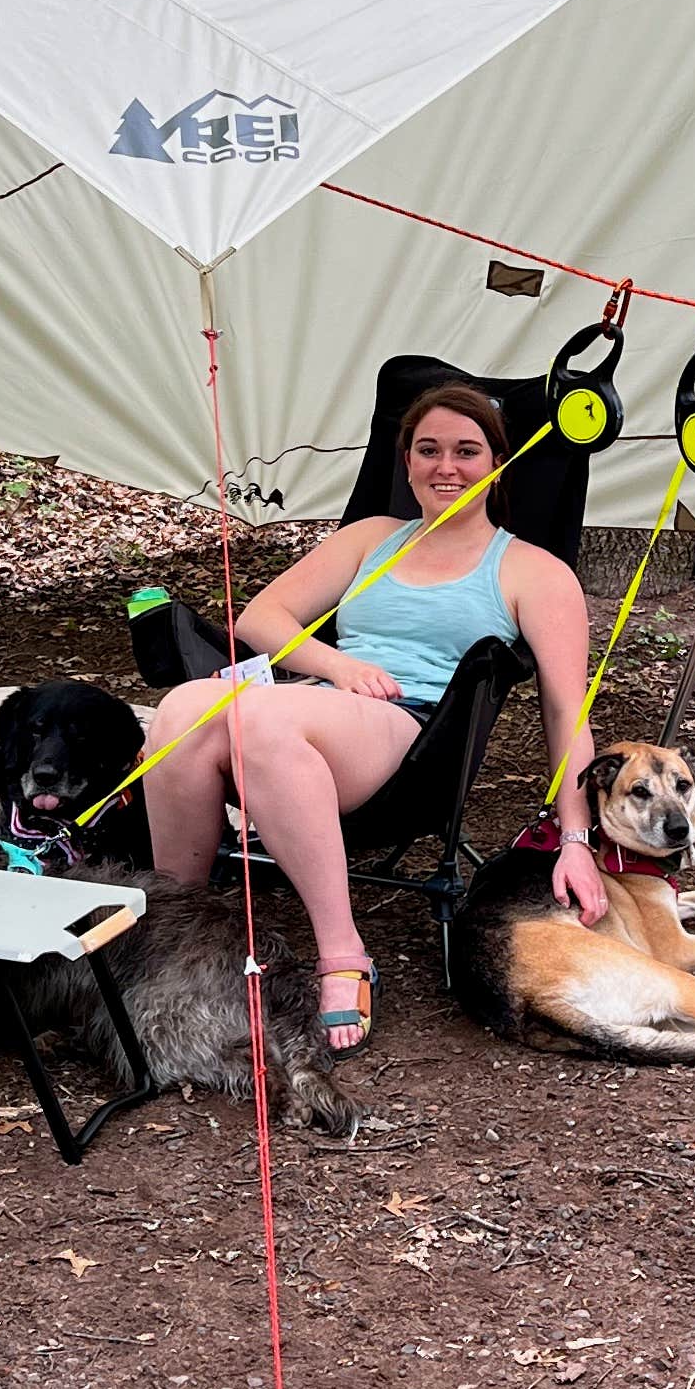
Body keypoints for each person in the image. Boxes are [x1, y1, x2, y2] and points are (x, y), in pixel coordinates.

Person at [139, 379, 608, 1054]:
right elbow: (261, 617)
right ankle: (179, 933)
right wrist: (339, 667)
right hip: (324, 703)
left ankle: (343, 954)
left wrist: (576, 841)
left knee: (261, 722)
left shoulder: (533, 572)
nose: (446, 467)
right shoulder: (372, 538)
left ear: (497, 463)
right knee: (182, 706)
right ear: (407, 461)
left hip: (414, 736)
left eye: (466, 451)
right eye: (428, 449)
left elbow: (567, 711)